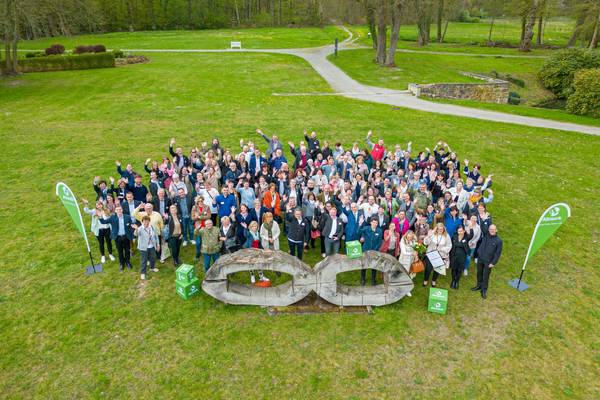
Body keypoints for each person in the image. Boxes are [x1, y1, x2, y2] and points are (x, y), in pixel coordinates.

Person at [99, 206, 135, 271]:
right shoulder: (112, 217)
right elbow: (104, 222)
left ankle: (127, 262)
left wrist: (132, 230)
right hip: (117, 237)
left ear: (122, 210)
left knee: (127, 250)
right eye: (117, 210)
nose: (119, 211)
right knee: (120, 251)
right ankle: (121, 263)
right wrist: (100, 217)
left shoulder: (127, 217)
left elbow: (130, 225)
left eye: (120, 209)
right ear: (115, 211)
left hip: (126, 237)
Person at [472, 224, 503, 299]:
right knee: (479, 273)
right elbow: (482, 224)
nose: (492, 230)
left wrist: (493, 263)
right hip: (480, 258)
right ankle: (479, 286)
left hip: (488, 262)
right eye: (490, 229)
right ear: (488, 230)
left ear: (496, 230)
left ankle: (483, 290)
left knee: (486, 276)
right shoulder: (486, 235)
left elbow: (497, 253)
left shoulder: (499, 241)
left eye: (493, 229)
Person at [82, 198, 115, 264]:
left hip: (107, 229)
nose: (99, 206)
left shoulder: (106, 210)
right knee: (101, 243)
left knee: (109, 242)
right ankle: (103, 256)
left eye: (100, 204)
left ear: (102, 205)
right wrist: (86, 204)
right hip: (99, 230)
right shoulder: (94, 211)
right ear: (96, 206)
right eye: (97, 205)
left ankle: (110, 254)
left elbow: (111, 218)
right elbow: (87, 211)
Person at [423, 223, 452, 287]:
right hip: (431, 253)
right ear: (436, 229)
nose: (440, 230)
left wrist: (442, 248)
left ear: (444, 229)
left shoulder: (447, 236)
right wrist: (429, 236)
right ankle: (426, 280)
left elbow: (449, 246)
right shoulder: (432, 234)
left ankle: (434, 280)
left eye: (441, 229)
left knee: (437, 269)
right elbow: (425, 242)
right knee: (428, 268)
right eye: (438, 229)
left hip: (440, 255)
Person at [133, 215, 160, 280]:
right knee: (144, 260)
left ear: (149, 222)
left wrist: (158, 244)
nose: (146, 223)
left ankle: (152, 268)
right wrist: (136, 229)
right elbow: (136, 234)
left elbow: (156, 236)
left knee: (153, 257)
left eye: (147, 222)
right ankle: (143, 273)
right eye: (144, 222)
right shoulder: (140, 228)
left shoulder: (152, 227)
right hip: (143, 247)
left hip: (152, 246)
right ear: (142, 222)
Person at [359, 218, 383, 285]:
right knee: (364, 265)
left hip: (374, 251)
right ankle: (363, 279)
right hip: (365, 250)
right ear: (371, 223)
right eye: (373, 222)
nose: (375, 224)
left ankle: (373, 279)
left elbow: (379, 242)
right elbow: (358, 232)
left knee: (374, 266)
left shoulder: (379, 231)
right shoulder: (366, 228)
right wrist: (360, 224)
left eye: (376, 223)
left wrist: (374, 250)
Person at [449, 225, 472, 289]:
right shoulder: (454, 236)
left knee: (459, 270)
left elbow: (471, 235)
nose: (460, 232)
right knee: (453, 269)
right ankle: (453, 280)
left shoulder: (466, 237)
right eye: (459, 231)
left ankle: (457, 281)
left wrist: (471, 228)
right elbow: (451, 244)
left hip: (462, 256)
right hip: (454, 256)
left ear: (464, 231)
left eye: (461, 231)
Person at [191, 196, 210, 261]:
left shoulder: (207, 207)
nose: (200, 202)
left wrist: (199, 217)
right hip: (198, 227)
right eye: (199, 201)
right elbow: (192, 218)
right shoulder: (194, 208)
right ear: (197, 202)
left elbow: (209, 216)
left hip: (206, 226)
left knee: (206, 241)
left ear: (203, 200)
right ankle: (198, 254)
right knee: (198, 242)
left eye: (201, 201)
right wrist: (202, 216)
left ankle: (206, 253)